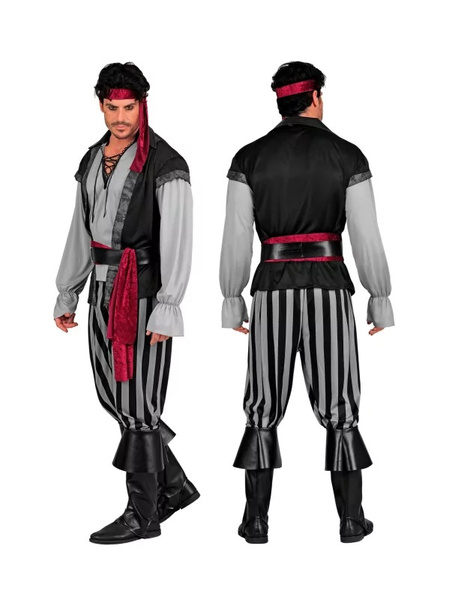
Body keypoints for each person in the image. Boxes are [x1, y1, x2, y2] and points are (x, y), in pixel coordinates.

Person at [219, 61, 394, 544]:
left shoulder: (249, 157)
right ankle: (351, 520)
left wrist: (232, 298)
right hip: (328, 288)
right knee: (340, 402)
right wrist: (379, 297)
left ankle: (256, 521)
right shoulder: (346, 155)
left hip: (272, 290)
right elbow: (366, 235)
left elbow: (236, 237)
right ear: (315, 97)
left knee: (263, 404)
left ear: (280, 102)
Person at [53, 62, 199, 544]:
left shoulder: (166, 162)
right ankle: (174, 487)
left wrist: (167, 306)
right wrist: (68, 291)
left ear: (143, 105)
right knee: (113, 398)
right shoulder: (92, 158)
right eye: (112, 108)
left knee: (138, 402)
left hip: (142, 294)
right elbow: (81, 230)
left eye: (129, 107)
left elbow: (177, 239)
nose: (120, 118)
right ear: (101, 106)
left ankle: (143, 514)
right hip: (101, 290)